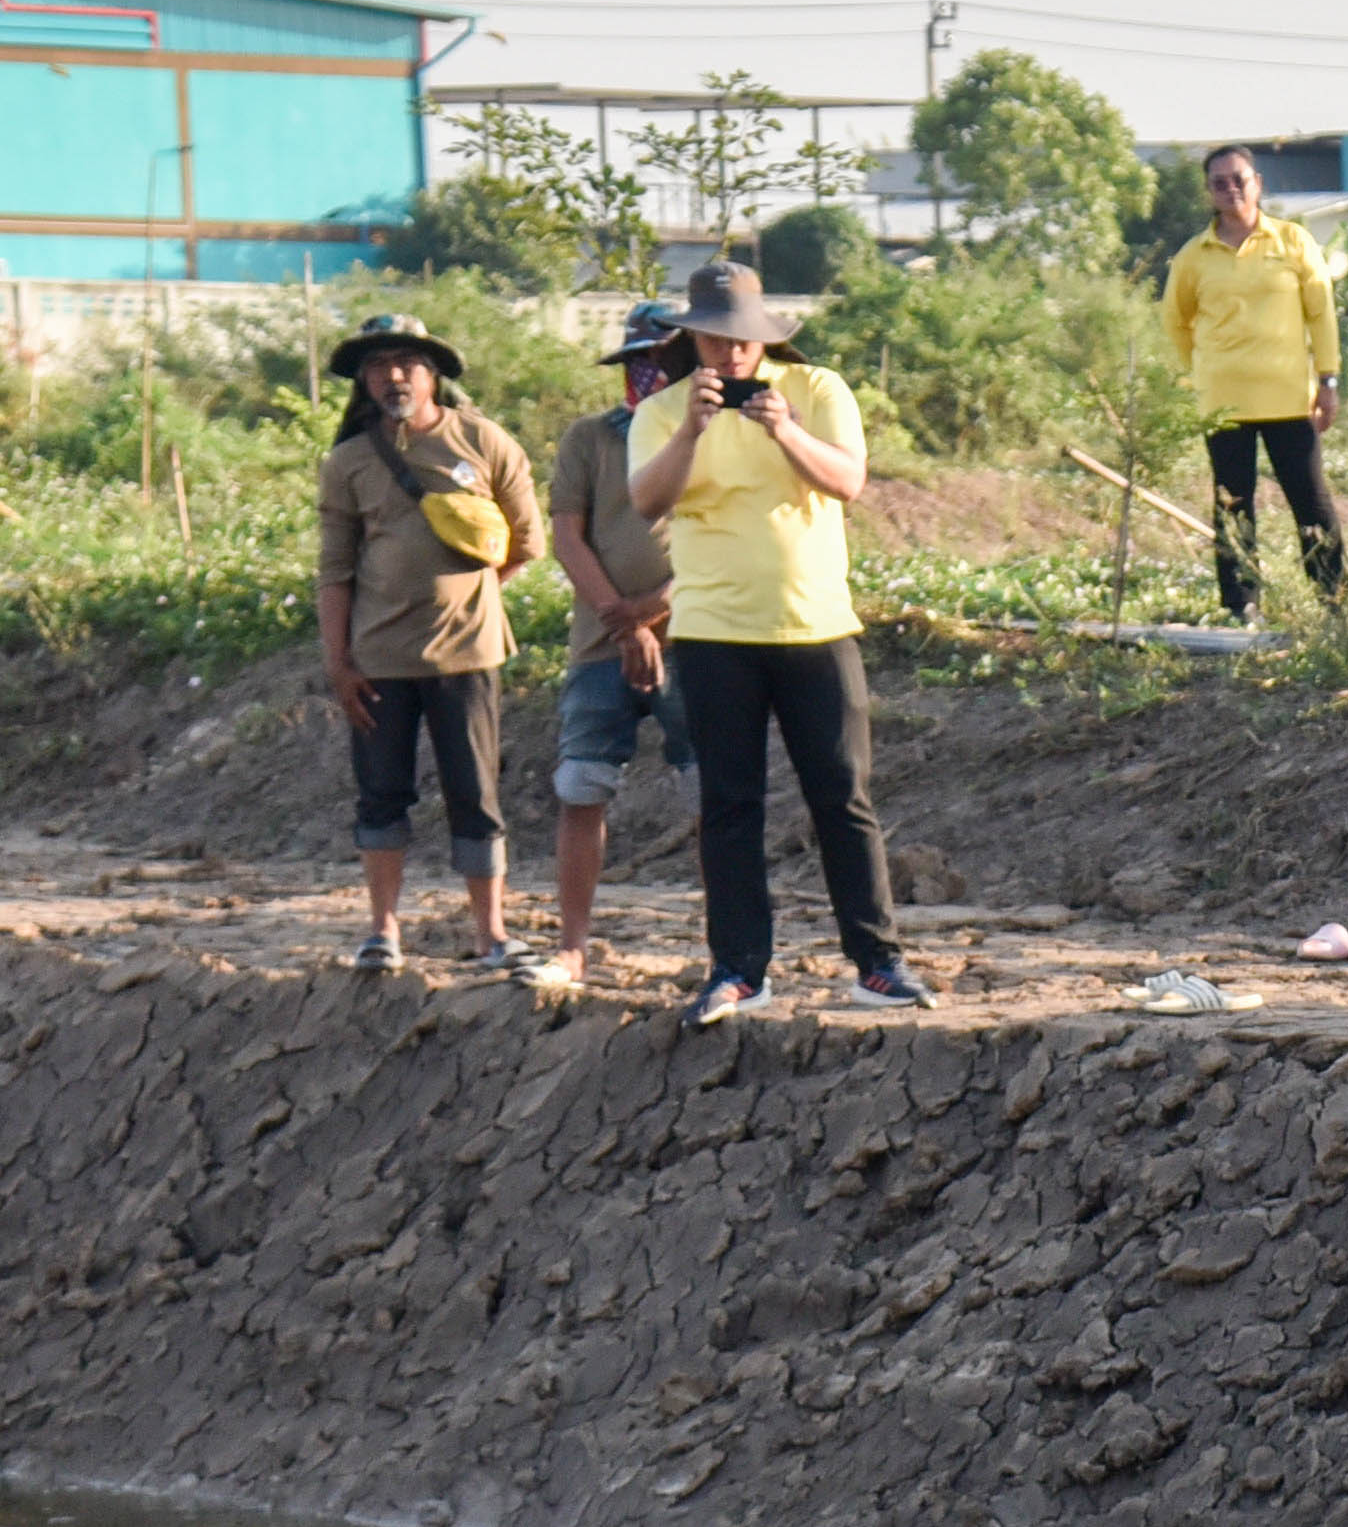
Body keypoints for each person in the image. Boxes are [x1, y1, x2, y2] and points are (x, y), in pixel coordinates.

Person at [626, 264, 925, 1020]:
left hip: (816, 625)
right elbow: (647, 500)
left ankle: (877, 963)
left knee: (843, 798)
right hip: (713, 632)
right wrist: (693, 429)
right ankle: (739, 970)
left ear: (764, 336)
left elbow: (847, 482)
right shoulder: (661, 411)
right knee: (729, 806)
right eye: (714, 338)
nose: (730, 353)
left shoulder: (819, 390)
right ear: (693, 337)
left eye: (742, 338)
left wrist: (784, 428)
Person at [311, 314, 539, 977]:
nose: (394, 376)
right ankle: (382, 931)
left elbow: (527, 542)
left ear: (432, 374)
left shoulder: (484, 442)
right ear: (363, 380)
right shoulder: (348, 462)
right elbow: (335, 571)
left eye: (407, 363)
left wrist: (469, 598)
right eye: (379, 365)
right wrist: (339, 663)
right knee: (381, 795)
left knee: (476, 795)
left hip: (469, 656)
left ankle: (491, 933)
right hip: (378, 661)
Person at [535, 300, 688, 995]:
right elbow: (568, 537)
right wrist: (623, 624)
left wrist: (654, 612)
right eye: (639, 361)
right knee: (581, 786)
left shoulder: (715, 435)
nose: (650, 373)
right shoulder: (591, 438)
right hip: (601, 643)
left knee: (712, 790)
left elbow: (731, 542)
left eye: (663, 359)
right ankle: (572, 948)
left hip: (697, 638)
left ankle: (727, 948)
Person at [1162, 146, 1348, 622]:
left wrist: (1328, 379)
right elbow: (1176, 321)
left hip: (1290, 398)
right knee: (1233, 504)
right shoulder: (1194, 256)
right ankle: (1241, 604)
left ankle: (1332, 600)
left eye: (1239, 179)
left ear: (1258, 183)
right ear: (1209, 191)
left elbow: (1321, 313)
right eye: (1219, 182)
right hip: (1224, 403)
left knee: (1310, 500)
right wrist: (1199, 370)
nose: (1231, 189)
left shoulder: (1293, 241)